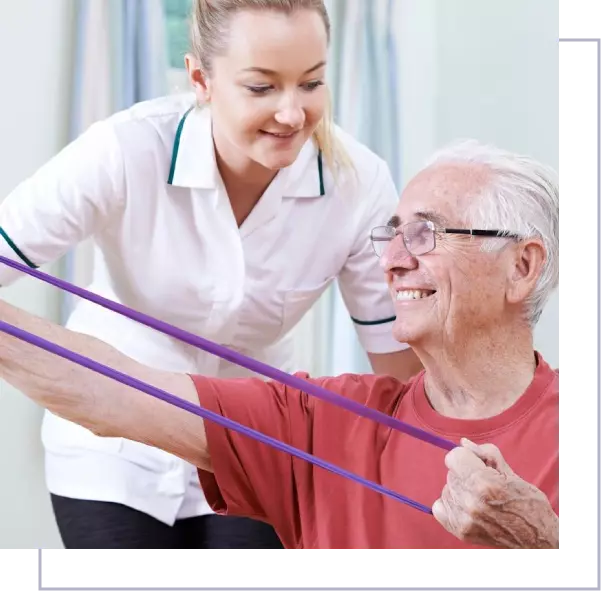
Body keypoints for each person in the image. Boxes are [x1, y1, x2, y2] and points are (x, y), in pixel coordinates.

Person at [0, 0, 423, 552]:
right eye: (262, 87)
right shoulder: (126, 150)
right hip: (111, 451)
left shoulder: (359, 183)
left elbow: (398, 369)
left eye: (311, 83)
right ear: (201, 79)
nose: (292, 114)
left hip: (259, 445)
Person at [0, 139, 560, 551]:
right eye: (391, 234)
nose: (391, 261)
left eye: (426, 234)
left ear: (522, 266)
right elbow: (112, 393)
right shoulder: (327, 421)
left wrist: (543, 542)